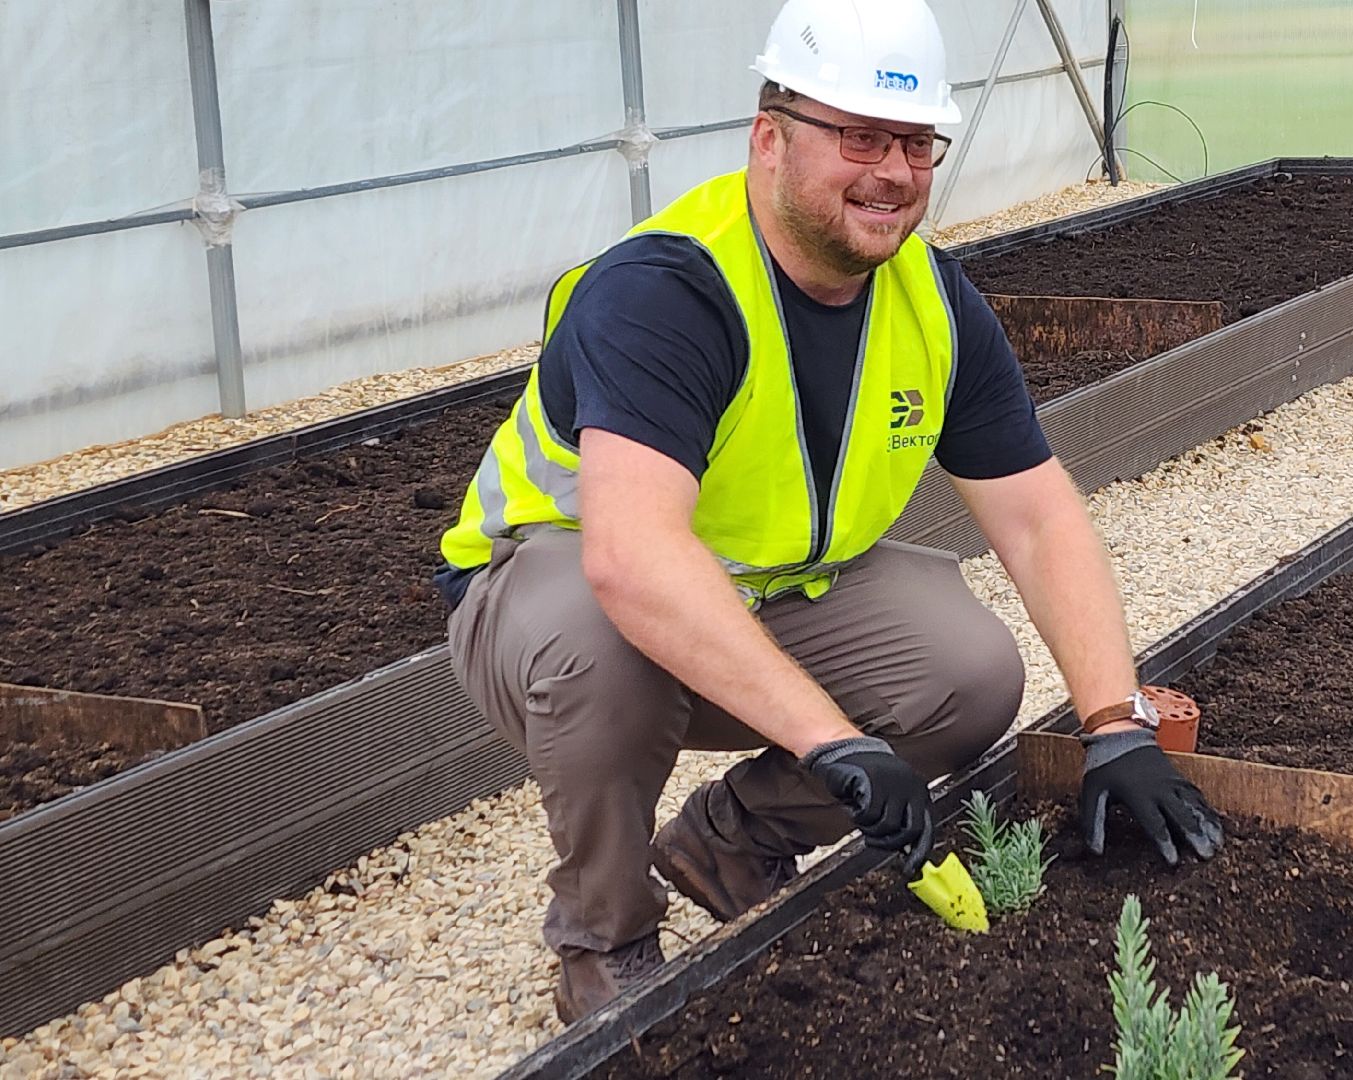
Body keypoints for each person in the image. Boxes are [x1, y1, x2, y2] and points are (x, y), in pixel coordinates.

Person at [434, 0, 1225, 1024]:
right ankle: (605, 940)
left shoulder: (929, 300)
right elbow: (630, 560)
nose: (892, 172)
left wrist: (1114, 728)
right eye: (857, 136)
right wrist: (831, 741)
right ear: (770, 138)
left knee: (970, 674)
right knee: (607, 647)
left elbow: (1036, 516)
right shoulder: (670, 288)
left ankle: (726, 846)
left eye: (914, 143)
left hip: (762, 587)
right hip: (548, 586)